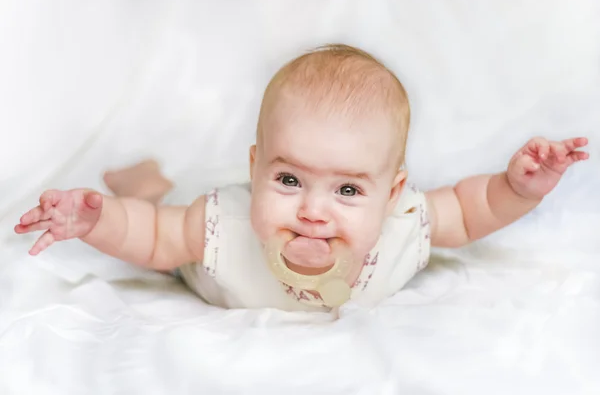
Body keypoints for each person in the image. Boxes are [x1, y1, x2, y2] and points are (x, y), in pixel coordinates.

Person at [14, 44, 589, 312]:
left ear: (390, 195)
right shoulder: (221, 223)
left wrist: (517, 188)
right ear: (256, 168)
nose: (313, 210)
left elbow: (469, 209)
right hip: (194, 262)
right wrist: (95, 220)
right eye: (288, 181)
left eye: (347, 190)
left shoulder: (405, 222)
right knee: (158, 208)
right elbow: (153, 238)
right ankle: (144, 178)